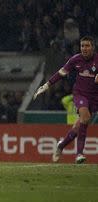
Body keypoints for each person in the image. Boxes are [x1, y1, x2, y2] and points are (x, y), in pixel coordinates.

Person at [33, 36, 98, 164]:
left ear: (93, 47)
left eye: (87, 46)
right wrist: (46, 86)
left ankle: (61, 145)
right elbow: (61, 73)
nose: (84, 48)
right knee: (85, 118)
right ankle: (79, 153)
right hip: (80, 94)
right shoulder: (75, 59)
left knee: (79, 126)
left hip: (94, 97)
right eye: (82, 46)